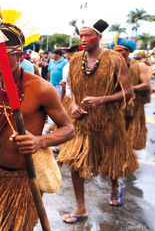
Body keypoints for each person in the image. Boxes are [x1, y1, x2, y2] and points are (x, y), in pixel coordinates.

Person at [0, 23, 75, 230]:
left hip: (24, 180)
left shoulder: (41, 89)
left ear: (19, 57)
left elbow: (68, 129)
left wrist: (41, 141)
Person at [57, 20, 138, 223]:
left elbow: (128, 92)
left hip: (109, 122)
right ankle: (81, 207)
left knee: (113, 161)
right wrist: (74, 104)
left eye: (88, 36)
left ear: (99, 37)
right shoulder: (75, 60)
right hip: (82, 121)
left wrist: (101, 99)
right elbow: (74, 88)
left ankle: (114, 185)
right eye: (81, 36)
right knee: (75, 162)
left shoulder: (114, 59)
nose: (83, 39)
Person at [110, 37, 151, 150]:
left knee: (132, 135)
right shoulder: (111, 66)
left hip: (135, 104)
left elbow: (146, 84)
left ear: (129, 51)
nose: (117, 53)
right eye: (114, 50)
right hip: (117, 103)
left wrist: (129, 89)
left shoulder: (139, 65)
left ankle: (128, 155)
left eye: (120, 50)